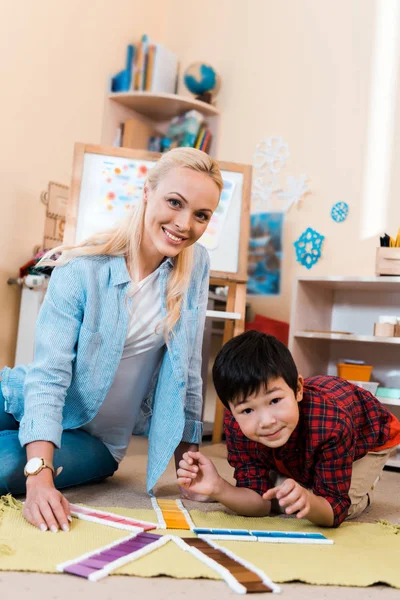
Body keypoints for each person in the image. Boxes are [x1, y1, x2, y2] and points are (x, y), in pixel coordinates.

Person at [0, 147, 223, 533]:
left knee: (5, 466)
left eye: (201, 215)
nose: (185, 224)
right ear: (147, 192)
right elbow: (48, 375)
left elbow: (188, 369)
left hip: (96, 441)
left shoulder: (196, 264)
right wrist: (39, 477)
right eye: (175, 202)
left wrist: (189, 463)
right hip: (24, 396)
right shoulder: (80, 268)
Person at [177, 330, 400, 527]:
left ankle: (363, 489)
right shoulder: (237, 426)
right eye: (247, 410)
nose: (266, 421)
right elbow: (259, 502)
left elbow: (335, 508)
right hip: (305, 439)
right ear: (231, 411)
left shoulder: (332, 424)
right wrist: (218, 487)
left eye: (274, 401)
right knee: (280, 493)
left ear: (298, 390)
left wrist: (311, 502)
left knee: (339, 505)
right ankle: (309, 476)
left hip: (370, 436)